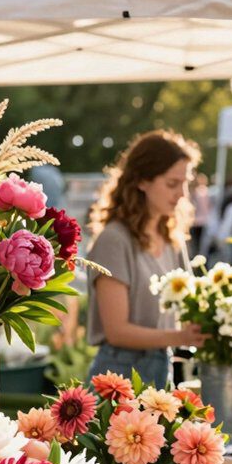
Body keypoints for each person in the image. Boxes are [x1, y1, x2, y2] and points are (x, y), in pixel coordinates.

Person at [86, 130, 204, 388]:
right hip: (118, 380)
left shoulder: (172, 238)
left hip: (162, 371)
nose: (182, 194)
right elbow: (117, 331)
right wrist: (180, 336)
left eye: (185, 183)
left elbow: (189, 309)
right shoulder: (114, 240)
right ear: (142, 181)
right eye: (172, 184)